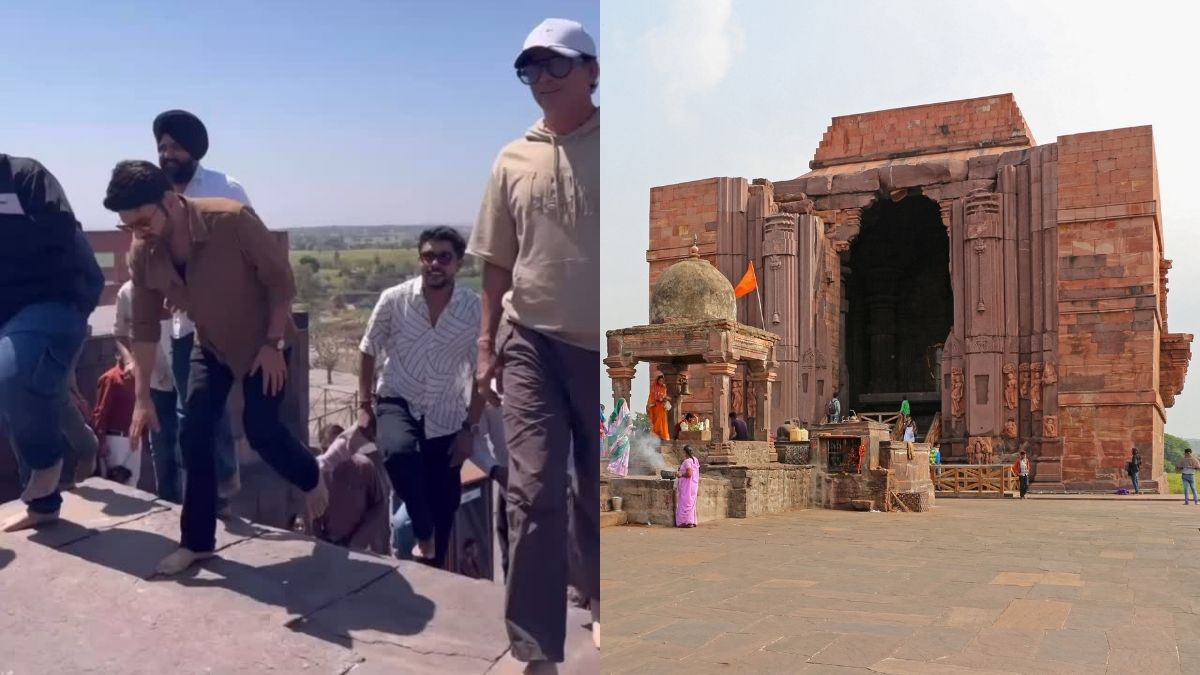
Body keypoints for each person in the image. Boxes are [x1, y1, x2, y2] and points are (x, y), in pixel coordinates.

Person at [104, 159, 327, 575]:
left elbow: (281, 283)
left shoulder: (231, 220)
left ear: (170, 201)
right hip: (211, 345)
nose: (138, 234)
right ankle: (198, 542)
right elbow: (146, 328)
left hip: (266, 342)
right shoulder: (144, 252)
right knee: (194, 433)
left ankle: (310, 474)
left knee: (262, 430)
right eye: (127, 227)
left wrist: (273, 343)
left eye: (142, 221)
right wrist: (141, 399)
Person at [468, 16, 601, 669]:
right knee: (534, 489)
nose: (541, 79)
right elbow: (496, 259)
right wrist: (486, 342)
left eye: (555, 65)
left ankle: (606, 600)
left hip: (605, 351)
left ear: (592, 72)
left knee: (599, 488)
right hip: (531, 343)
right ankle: (536, 644)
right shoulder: (512, 158)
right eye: (530, 69)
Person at [357, 227, 483, 568]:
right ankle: (422, 533)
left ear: (458, 263)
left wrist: (469, 430)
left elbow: (481, 373)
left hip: (446, 413)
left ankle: (435, 567)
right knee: (398, 453)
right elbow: (368, 349)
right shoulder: (394, 300)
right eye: (428, 256)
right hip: (397, 398)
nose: (435, 263)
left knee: (445, 505)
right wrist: (365, 406)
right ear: (419, 260)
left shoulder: (474, 310)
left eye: (444, 257)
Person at [0, 154, 104, 532]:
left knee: (13, 373)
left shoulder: (23, 175)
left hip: (55, 299)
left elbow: (58, 229)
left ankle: (47, 464)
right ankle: (42, 505)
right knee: (27, 391)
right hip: (7, 312)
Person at [155, 109, 244, 513]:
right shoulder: (155, 192)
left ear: (193, 149)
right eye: (162, 147)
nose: (167, 154)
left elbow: (249, 248)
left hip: (224, 317)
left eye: (174, 147)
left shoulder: (225, 189)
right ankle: (211, 490)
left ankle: (214, 490)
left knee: (204, 407)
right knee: (188, 410)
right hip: (180, 320)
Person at [114, 280, 181, 501]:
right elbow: (121, 334)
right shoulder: (127, 293)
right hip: (155, 383)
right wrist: (130, 360)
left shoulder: (181, 283)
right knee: (162, 450)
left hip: (187, 379)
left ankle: (211, 505)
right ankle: (171, 504)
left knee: (191, 446)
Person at [309, 425, 390, 554]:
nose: (332, 456)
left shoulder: (364, 467)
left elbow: (379, 503)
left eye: (336, 451)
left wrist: (359, 539)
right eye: (326, 450)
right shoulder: (318, 472)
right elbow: (313, 512)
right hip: (329, 544)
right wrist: (322, 541)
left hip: (361, 546)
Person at [92, 353, 141, 486]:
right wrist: (101, 441)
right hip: (115, 439)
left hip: (135, 439)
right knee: (114, 483)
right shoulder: (110, 378)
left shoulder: (140, 378)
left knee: (132, 482)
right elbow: (101, 411)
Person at [605, 399, 632, 477]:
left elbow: (610, 424)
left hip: (616, 439)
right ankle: (621, 472)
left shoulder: (613, 415)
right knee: (624, 455)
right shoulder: (627, 414)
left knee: (617, 455)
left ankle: (614, 470)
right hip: (624, 438)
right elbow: (630, 425)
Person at [675, 446, 700, 528]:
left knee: (685, 504)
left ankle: (685, 522)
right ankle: (691, 522)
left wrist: (680, 474)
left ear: (685, 452)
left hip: (687, 487)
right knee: (690, 503)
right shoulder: (695, 460)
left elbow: (689, 474)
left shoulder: (687, 461)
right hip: (693, 486)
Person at [647, 374, 671, 440]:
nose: (661, 382)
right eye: (660, 380)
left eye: (662, 381)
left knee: (663, 421)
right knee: (657, 421)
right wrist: (659, 399)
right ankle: (657, 435)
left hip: (662, 407)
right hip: (656, 407)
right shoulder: (654, 387)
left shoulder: (664, 388)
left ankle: (663, 435)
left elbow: (664, 396)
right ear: (657, 381)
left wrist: (666, 398)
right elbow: (652, 398)